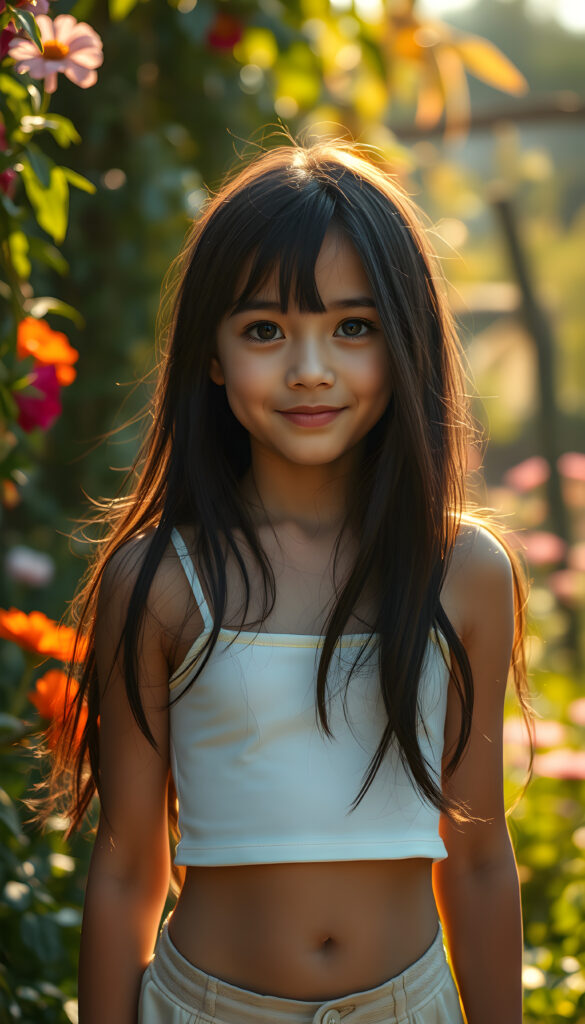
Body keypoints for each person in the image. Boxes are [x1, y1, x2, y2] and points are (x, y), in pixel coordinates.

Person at [36, 137, 532, 1024]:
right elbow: (124, 869)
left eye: (353, 326)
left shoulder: (463, 571)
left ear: (404, 339)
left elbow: (482, 857)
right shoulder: (157, 580)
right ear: (213, 355)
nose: (310, 368)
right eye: (265, 329)